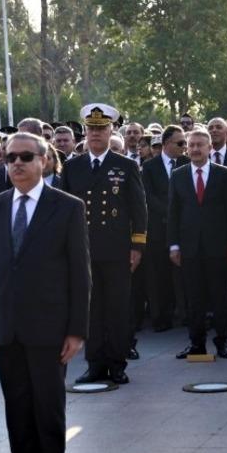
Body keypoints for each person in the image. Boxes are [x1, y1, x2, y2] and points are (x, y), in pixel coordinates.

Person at [0, 131, 90, 453]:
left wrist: (76, 330)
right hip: (6, 328)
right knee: (18, 413)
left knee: (48, 413)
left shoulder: (67, 207)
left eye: (26, 156)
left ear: (45, 160)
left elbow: (80, 273)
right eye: (10, 158)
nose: (17, 164)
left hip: (49, 329)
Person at [60, 104, 147, 385]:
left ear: (111, 131)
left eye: (101, 128)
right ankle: (95, 364)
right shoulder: (72, 167)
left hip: (117, 249)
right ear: (85, 132)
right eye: (91, 128)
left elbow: (139, 209)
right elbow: (63, 211)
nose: (96, 133)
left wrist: (137, 246)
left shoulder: (126, 165)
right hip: (83, 249)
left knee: (118, 309)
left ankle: (117, 363)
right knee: (91, 310)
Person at [169, 128, 227, 359]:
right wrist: (174, 245)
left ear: (210, 148)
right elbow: (173, 213)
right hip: (189, 247)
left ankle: (222, 341)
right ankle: (196, 343)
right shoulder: (178, 175)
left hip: (217, 246)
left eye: (200, 145)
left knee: (219, 297)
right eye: (192, 145)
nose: (196, 149)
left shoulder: (224, 174)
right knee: (194, 298)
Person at [140, 126, 187, 333]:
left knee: (183, 274)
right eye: (180, 143)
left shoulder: (186, 163)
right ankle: (161, 317)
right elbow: (147, 196)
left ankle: (186, 314)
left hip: (183, 228)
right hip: (158, 229)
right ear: (167, 143)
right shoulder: (149, 167)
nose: (184, 147)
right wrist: (170, 212)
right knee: (158, 276)